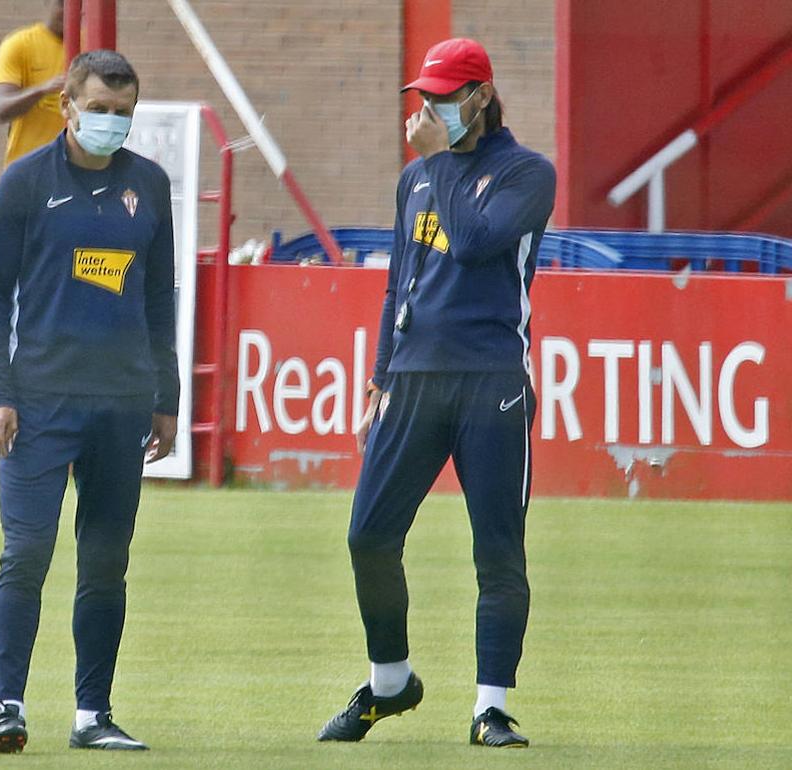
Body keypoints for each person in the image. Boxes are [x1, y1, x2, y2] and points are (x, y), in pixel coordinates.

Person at [317, 38, 555, 749]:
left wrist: (434, 161)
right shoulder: (416, 180)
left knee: (498, 552)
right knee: (368, 535)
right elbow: (400, 281)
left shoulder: (526, 172)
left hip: (492, 382)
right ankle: (390, 682)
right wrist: (379, 376)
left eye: (445, 98)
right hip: (413, 379)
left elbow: (476, 241)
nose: (428, 110)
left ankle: (491, 709)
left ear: (481, 97)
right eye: (424, 97)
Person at [0, 49, 178, 754]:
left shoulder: (149, 186)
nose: (111, 123)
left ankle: (93, 714)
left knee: (104, 562)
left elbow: (160, 297)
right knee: (26, 553)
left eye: (123, 113)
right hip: (39, 403)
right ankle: (8, 705)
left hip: (122, 406)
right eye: (99, 109)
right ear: (66, 106)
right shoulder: (24, 184)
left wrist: (167, 399)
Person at [0, 0, 67, 166]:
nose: (69, 11)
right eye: (62, 3)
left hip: (70, 171)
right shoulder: (19, 44)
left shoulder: (89, 46)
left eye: (78, 5)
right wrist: (42, 90)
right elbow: (1, 109)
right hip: (26, 168)